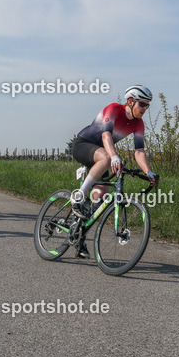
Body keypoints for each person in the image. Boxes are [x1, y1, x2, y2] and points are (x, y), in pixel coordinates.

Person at [69, 85, 159, 254]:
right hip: (84, 145)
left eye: (147, 105)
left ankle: (79, 236)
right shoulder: (114, 109)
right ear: (130, 101)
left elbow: (139, 151)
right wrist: (114, 156)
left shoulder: (138, 124)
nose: (145, 109)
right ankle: (78, 196)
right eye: (142, 104)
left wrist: (148, 171)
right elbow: (106, 135)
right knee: (107, 158)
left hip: (102, 154)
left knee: (100, 200)